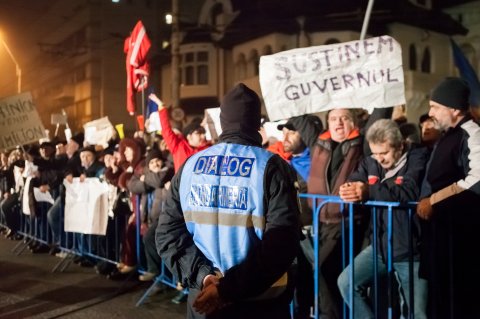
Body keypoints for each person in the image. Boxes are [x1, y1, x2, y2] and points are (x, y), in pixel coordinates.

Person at [155, 83, 301, 318]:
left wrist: (204, 277)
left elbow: (167, 234)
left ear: (222, 122)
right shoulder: (271, 166)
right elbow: (281, 242)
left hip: (204, 298)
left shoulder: (190, 166)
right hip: (259, 301)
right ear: (257, 123)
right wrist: (227, 288)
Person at [337, 119, 429, 318]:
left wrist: (368, 191)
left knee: (415, 312)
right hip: (379, 246)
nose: (379, 159)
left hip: (411, 250)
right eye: (375, 153)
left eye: (384, 153)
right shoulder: (371, 161)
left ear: (400, 145)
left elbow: (409, 190)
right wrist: (349, 188)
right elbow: (356, 177)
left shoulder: (418, 156)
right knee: (346, 282)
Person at [306, 107, 390, 318]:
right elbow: (297, 114)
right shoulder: (318, 142)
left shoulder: (361, 144)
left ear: (354, 124)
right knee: (326, 273)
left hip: (347, 222)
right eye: (333, 118)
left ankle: (331, 315)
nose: (339, 122)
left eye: (344, 118)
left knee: (323, 269)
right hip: (321, 223)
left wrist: (382, 92)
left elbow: (379, 116)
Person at [416, 77, 480, 318]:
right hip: (442, 237)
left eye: (436, 107)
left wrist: (433, 201)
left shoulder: (471, 133)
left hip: (461, 241)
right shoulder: (450, 134)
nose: (430, 112)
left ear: (454, 109)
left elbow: (477, 179)